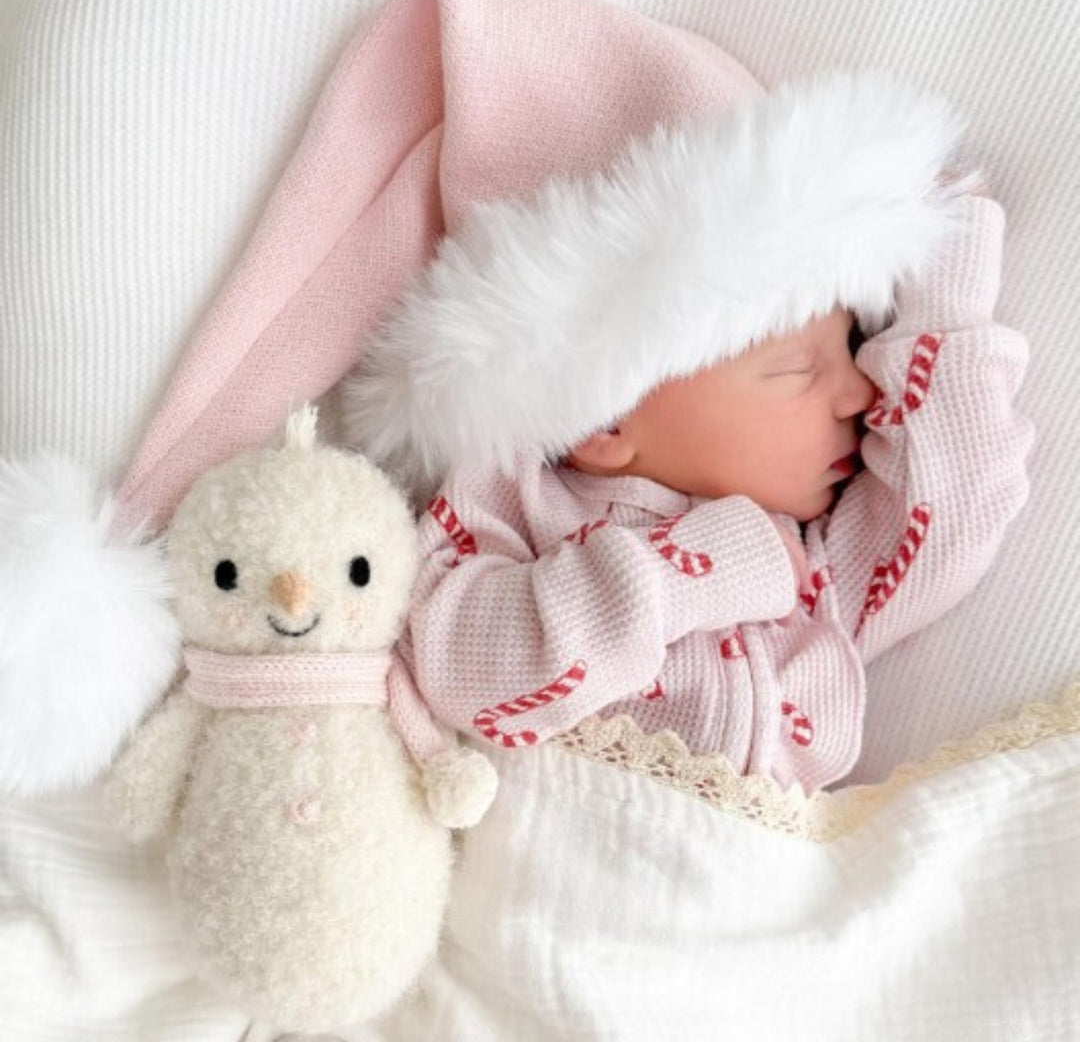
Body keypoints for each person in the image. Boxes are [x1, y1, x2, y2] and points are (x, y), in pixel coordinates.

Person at [344, 71, 1034, 794]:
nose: (861, 392)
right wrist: (695, 568)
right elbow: (463, 674)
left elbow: (956, 501)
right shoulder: (510, 509)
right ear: (607, 417)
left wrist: (945, 283)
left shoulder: (817, 565)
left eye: (855, 348)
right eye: (799, 369)